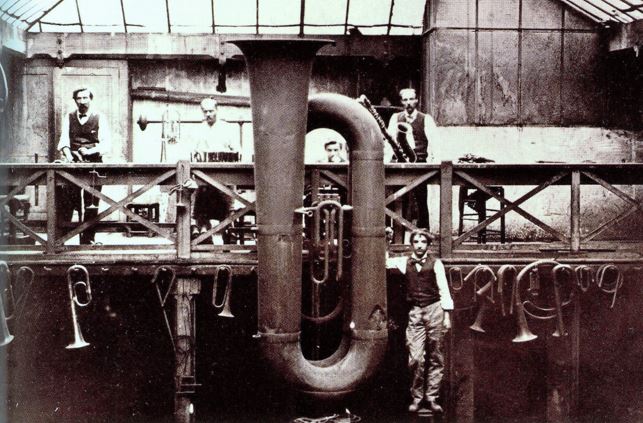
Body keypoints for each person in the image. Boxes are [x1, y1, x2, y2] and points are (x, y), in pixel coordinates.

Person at [386, 228, 453, 414]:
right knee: (415, 358)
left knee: (436, 355)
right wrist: (386, 240)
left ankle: (432, 398)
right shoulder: (404, 262)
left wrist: (447, 315)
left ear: (428, 244)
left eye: (423, 242)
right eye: (416, 242)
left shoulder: (436, 263)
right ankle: (416, 397)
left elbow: (443, 289)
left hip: (435, 310)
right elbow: (383, 261)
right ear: (412, 244)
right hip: (415, 312)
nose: (420, 245)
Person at [57, 87, 111, 244]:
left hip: (93, 165)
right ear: (75, 101)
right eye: (79, 98)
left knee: (91, 203)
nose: (82, 101)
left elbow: (106, 144)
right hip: (73, 165)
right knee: (68, 201)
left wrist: (89, 152)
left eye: (85, 98)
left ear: (91, 99)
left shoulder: (100, 117)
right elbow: (64, 141)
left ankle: (88, 240)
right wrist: (69, 155)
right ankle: (62, 240)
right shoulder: (69, 117)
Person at [387, 88, 439, 230]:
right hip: (401, 163)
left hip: (420, 165)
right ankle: (399, 235)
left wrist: (432, 164)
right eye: (405, 100)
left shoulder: (425, 119)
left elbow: (434, 144)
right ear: (401, 102)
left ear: (416, 100)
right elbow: (389, 142)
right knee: (398, 199)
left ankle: (424, 234)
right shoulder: (395, 118)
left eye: (411, 99)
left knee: (421, 200)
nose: (408, 103)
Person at [191, 98, 240, 241]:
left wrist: (229, 155)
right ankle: (199, 229)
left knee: (229, 192)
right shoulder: (198, 129)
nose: (208, 114)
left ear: (217, 110)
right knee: (195, 190)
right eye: (205, 111)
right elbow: (192, 150)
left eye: (211, 111)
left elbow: (237, 150)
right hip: (204, 174)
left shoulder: (227, 128)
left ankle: (230, 226)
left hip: (224, 173)